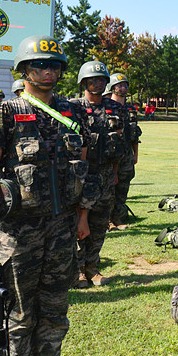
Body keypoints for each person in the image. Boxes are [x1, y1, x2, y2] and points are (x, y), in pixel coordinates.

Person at [0, 35, 90, 356]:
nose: (47, 71)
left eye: (54, 65)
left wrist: (83, 216)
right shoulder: (4, 113)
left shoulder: (73, 112)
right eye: (39, 65)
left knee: (55, 310)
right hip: (18, 232)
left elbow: (82, 167)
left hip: (61, 228)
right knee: (20, 312)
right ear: (24, 70)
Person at [71, 61, 127, 288]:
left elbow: (118, 142)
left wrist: (114, 174)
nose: (97, 84)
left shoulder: (114, 108)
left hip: (104, 175)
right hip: (81, 174)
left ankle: (92, 268)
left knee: (100, 223)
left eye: (102, 80)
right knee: (77, 222)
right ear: (84, 82)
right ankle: (77, 270)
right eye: (93, 80)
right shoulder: (73, 107)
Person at [109, 72, 141, 230]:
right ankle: (107, 220)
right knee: (109, 187)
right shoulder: (107, 107)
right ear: (112, 87)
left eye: (124, 85)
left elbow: (136, 134)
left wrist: (136, 154)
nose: (122, 88)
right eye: (119, 85)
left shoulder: (130, 109)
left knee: (123, 188)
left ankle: (118, 217)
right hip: (111, 154)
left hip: (127, 155)